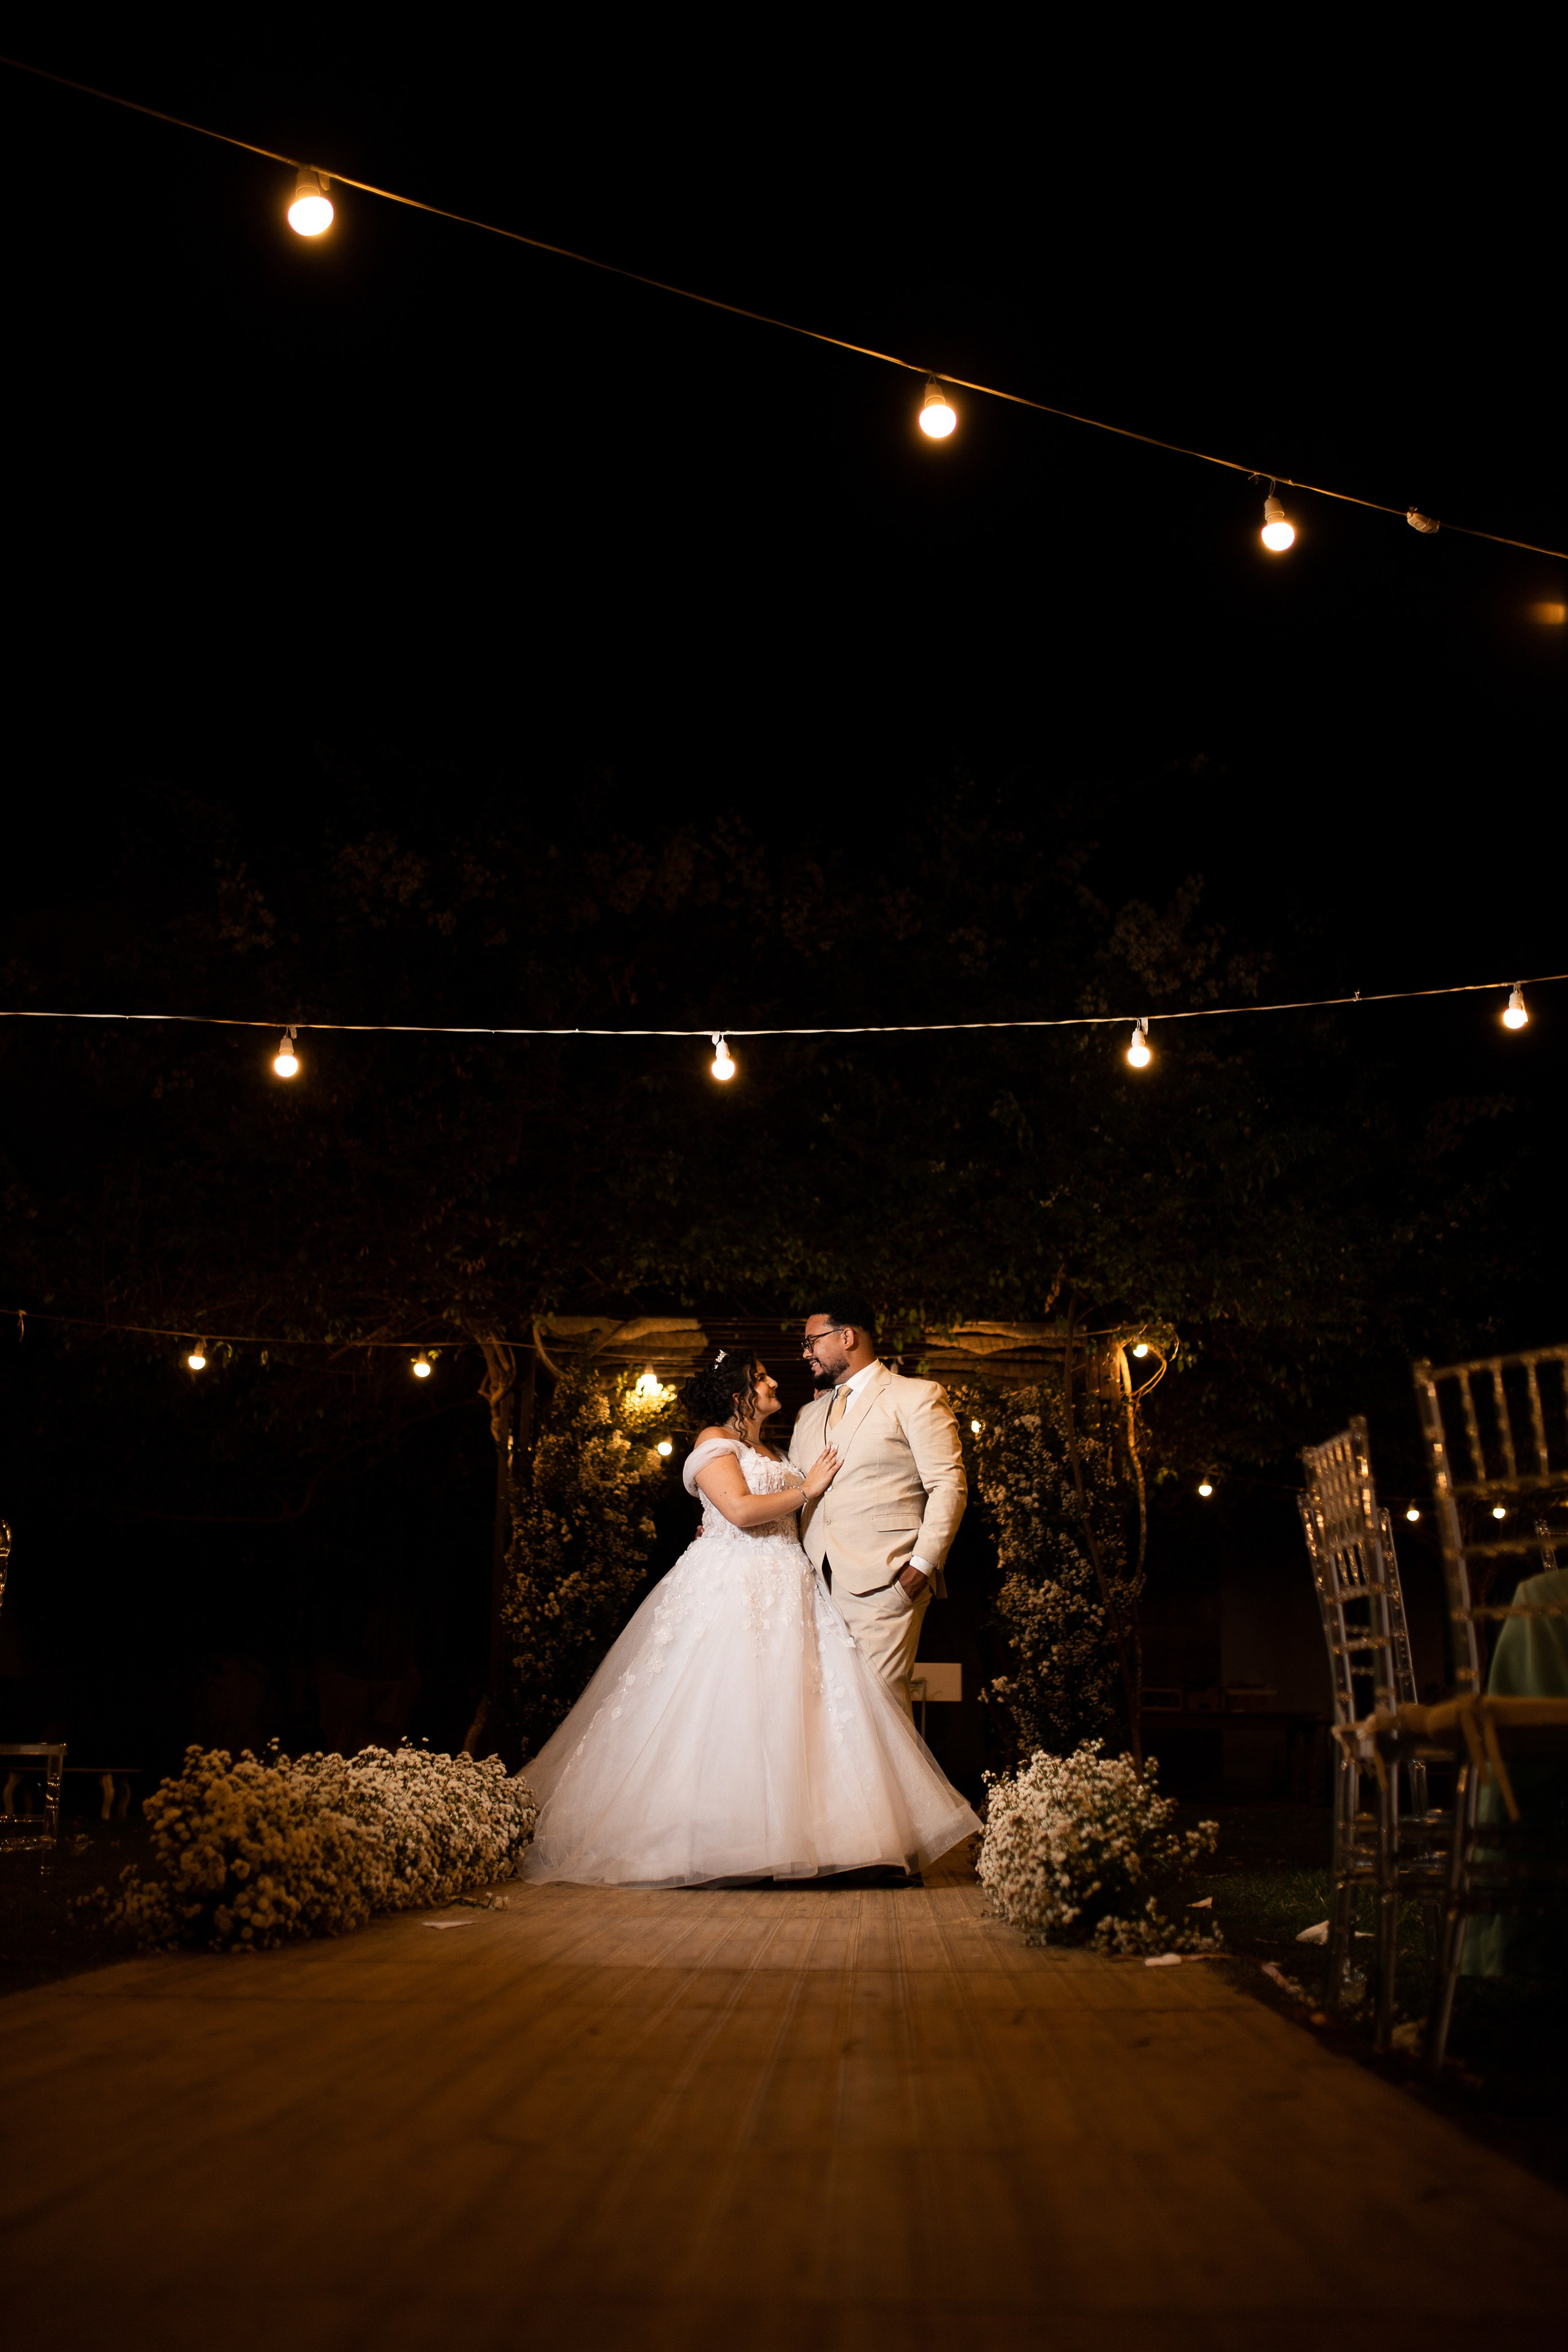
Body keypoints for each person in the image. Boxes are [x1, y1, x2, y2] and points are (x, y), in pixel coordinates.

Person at [521, 1346, 979, 1887]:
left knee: (796, 1712)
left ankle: (810, 1842)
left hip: (792, 1582)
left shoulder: (773, 1446)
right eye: (761, 1378)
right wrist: (805, 1488)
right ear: (740, 1395)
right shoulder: (712, 1441)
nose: (772, 1382)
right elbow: (737, 1510)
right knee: (727, 1705)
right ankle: (720, 1840)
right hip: (734, 1585)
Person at [790, 1292, 966, 1719]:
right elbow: (792, 1491)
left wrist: (922, 1566)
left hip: (885, 1583)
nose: (806, 1351)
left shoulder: (916, 1396)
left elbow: (948, 1485)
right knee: (825, 1718)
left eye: (813, 1340)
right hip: (811, 1588)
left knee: (877, 1717)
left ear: (847, 1336)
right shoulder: (807, 1416)